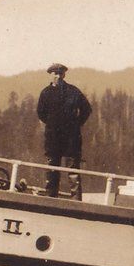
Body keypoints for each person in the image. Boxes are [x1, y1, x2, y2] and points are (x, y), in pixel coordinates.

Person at [36, 63, 92, 197]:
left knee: (73, 170)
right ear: (50, 75)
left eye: (60, 73)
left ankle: (76, 201)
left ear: (64, 74)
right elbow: (41, 113)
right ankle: (51, 199)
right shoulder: (46, 93)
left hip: (71, 138)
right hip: (53, 138)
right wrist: (52, 124)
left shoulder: (73, 91)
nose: (58, 76)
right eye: (55, 74)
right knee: (52, 169)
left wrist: (76, 123)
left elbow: (86, 109)